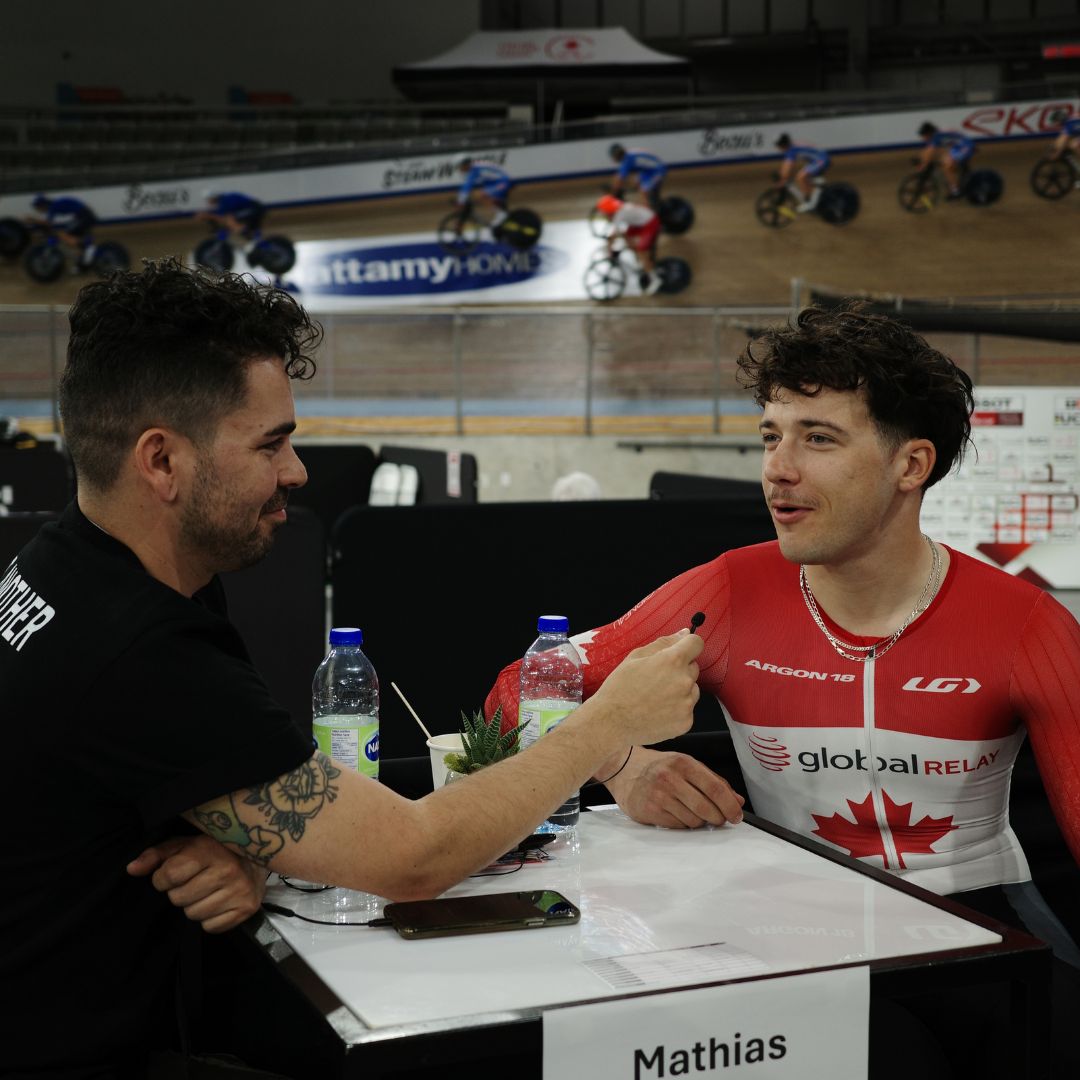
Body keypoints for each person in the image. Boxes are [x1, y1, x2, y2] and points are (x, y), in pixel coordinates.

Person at [0, 258, 705, 1077]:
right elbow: (410, 857)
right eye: (272, 443)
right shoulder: (136, 646)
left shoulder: (77, 567)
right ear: (162, 462)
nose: (297, 471)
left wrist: (249, 848)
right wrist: (609, 722)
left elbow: (199, 779)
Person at [485, 304, 1080, 1074]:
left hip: (982, 924)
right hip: (801, 934)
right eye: (772, 435)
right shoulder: (728, 591)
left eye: (819, 438)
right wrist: (618, 763)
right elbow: (516, 690)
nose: (778, 467)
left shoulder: (1026, 623)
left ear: (912, 465)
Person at [594, 193, 663, 295]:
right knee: (627, 237)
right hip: (641, 222)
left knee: (642, 251)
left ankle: (655, 279)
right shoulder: (619, 207)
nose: (603, 215)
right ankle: (641, 262)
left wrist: (609, 250)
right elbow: (619, 233)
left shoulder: (619, 214)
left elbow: (613, 235)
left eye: (604, 213)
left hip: (650, 223)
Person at [29, 193, 99, 270]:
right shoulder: (54, 205)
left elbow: (47, 223)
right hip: (83, 215)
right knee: (69, 236)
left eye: (38, 208)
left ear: (43, 205)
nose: (39, 210)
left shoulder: (53, 206)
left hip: (84, 216)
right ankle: (84, 261)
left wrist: (33, 220)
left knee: (65, 235)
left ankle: (88, 247)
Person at [452, 153, 512, 232]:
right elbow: (467, 187)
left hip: (503, 182)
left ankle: (501, 213)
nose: (459, 169)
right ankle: (501, 212)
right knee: (479, 194)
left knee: (482, 194)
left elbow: (467, 187)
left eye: (459, 167)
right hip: (496, 182)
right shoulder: (473, 168)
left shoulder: (474, 169)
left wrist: (461, 201)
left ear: (464, 164)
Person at [916, 121, 975, 199]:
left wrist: (923, 165)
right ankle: (958, 180)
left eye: (923, 136)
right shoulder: (936, 135)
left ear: (928, 134)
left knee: (947, 166)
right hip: (959, 146)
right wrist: (922, 160)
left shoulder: (936, 136)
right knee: (945, 160)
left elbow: (929, 152)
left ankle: (956, 192)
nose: (923, 138)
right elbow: (927, 151)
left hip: (964, 147)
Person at [773, 133, 830, 212]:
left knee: (800, 177)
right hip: (818, 158)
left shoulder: (791, 150)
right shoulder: (791, 147)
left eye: (778, 146)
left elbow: (787, 167)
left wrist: (782, 180)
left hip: (821, 159)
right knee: (803, 176)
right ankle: (814, 198)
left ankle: (809, 203)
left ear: (783, 145)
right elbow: (787, 166)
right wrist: (783, 176)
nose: (778, 148)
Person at [608, 142, 667, 211]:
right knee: (637, 182)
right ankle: (650, 204)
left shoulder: (627, 161)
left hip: (657, 170)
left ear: (616, 156)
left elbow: (620, 179)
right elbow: (620, 177)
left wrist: (613, 193)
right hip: (648, 170)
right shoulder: (628, 155)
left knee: (645, 191)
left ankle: (651, 210)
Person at [196, 190, 266, 241]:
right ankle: (254, 238)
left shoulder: (225, 201)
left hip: (255, 209)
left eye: (208, 199)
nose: (208, 202)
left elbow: (223, 218)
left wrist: (207, 216)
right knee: (234, 223)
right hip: (255, 209)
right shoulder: (223, 200)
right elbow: (221, 217)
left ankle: (250, 236)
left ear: (213, 197)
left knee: (231, 221)